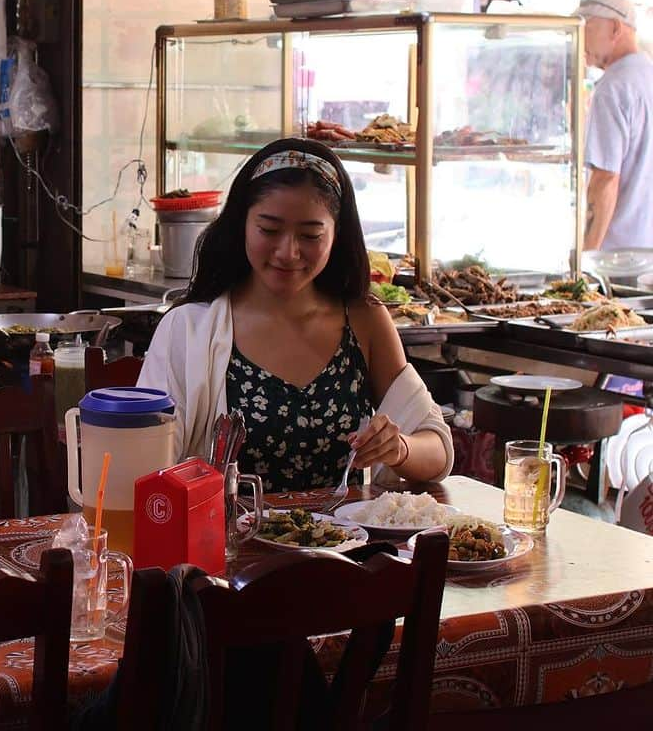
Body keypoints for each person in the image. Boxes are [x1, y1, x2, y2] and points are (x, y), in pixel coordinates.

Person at [138, 138, 452, 492]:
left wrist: (400, 448)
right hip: (227, 544)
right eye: (269, 230)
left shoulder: (364, 319)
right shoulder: (189, 330)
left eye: (310, 235)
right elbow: (147, 467)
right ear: (241, 223)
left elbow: (437, 448)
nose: (288, 252)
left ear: (336, 235)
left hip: (344, 544)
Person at [576, 0, 653, 251]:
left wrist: (586, 256)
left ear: (615, 28)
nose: (579, 37)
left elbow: (606, 178)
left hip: (619, 256)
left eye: (587, 25)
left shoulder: (613, 88)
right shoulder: (647, 75)